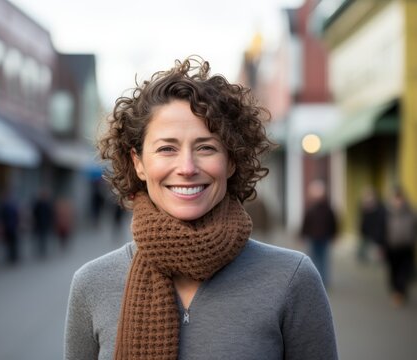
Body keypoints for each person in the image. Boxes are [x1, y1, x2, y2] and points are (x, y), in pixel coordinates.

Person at [64, 57, 338, 360]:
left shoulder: (291, 278)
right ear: (138, 163)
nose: (187, 168)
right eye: (167, 148)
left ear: (231, 160)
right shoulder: (92, 284)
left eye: (206, 147)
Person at [300, 180, 338, 287]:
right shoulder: (310, 208)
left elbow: (333, 222)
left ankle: (323, 281)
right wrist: (303, 235)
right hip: (313, 237)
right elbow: (306, 222)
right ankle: (316, 279)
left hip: (324, 237)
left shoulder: (328, 208)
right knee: (314, 259)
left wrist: (334, 235)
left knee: (323, 260)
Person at [384, 187, 416, 307]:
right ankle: (396, 291)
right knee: (393, 271)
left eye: (399, 199)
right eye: (395, 199)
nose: (397, 201)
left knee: (404, 271)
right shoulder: (388, 213)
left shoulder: (410, 213)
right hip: (392, 247)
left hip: (406, 247)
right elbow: (382, 229)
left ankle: (400, 292)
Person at [358, 186, 387, 263]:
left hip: (375, 231)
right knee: (363, 246)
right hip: (365, 231)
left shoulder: (378, 207)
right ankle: (363, 258)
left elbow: (379, 220)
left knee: (377, 248)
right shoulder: (363, 206)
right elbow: (362, 219)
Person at [32, 189, 54, 258]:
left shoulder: (47, 204)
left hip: (45, 223)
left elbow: (50, 213)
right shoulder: (38, 204)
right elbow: (35, 213)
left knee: (44, 237)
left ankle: (43, 249)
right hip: (39, 224)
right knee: (40, 237)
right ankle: (40, 249)